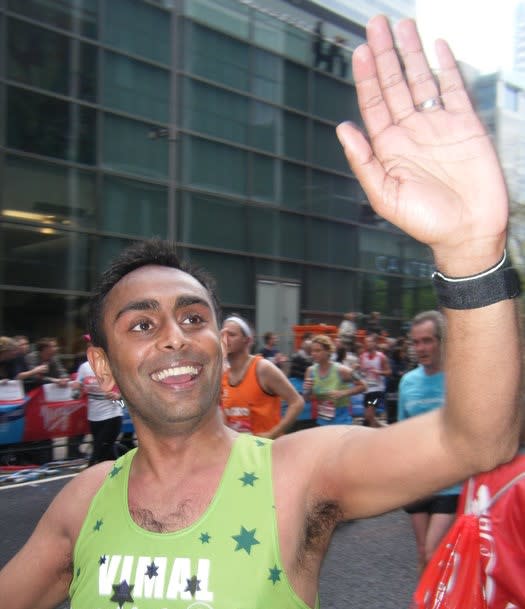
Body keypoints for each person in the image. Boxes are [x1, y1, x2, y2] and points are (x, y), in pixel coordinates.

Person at [0, 15, 521, 609]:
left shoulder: (299, 473)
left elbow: (479, 440)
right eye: (142, 325)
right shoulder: (83, 500)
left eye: (195, 318)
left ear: (221, 348)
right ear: (103, 367)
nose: (176, 337)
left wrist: (471, 252)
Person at [398, 311, 462, 571]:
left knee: (434, 550)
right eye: (416, 342)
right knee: (424, 552)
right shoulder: (407, 382)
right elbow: (402, 433)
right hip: (417, 483)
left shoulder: (460, 379)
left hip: (451, 483)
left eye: (427, 340)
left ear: (442, 341)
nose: (420, 348)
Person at [221, 315, 304, 438]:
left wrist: (272, 434)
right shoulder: (223, 374)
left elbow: (297, 402)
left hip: (267, 450)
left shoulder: (262, 368)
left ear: (247, 340)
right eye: (222, 334)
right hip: (239, 450)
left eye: (232, 335)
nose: (225, 339)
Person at [73, 335, 123, 466]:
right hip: (94, 417)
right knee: (107, 455)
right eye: (89, 345)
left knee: (97, 456)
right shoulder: (84, 367)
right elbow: (75, 394)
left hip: (112, 415)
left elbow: (130, 387)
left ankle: (90, 478)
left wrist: (119, 395)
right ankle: (126, 474)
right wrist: (76, 389)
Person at [304, 334, 366, 426]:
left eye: (318, 350)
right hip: (322, 422)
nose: (313, 354)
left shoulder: (342, 370)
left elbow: (364, 385)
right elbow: (307, 398)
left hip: (342, 422)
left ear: (328, 351)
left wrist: (343, 393)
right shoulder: (310, 371)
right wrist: (307, 390)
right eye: (312, 351)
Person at [359, 333, 392, 427]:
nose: (368, 344)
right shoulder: (362, 356)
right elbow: (361, 371)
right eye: (366, 342)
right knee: (367, 417)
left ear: (375, 343)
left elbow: (389, 372)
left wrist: (379, 372)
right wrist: (359, 370)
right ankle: (384, 429)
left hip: (377, 391)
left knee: (369, 415)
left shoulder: (381, 357)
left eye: (370, 342)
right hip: (367, 390)